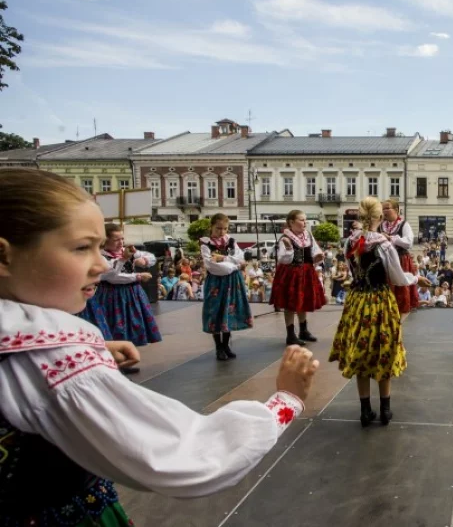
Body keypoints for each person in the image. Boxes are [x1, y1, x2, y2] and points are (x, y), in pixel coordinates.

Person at [0, 168, 319, 526]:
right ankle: (223, 345)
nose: (101, 263)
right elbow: (186, 457)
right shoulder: (56, 359)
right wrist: (286, 401)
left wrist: (97, 347)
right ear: (4, 257)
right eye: (80, 248)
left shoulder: (26, 343)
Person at [329, 197, 417, 427]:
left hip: (357, 302)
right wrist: (417, 278)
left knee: (362, 355)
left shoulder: (349, 242)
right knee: (383, 352)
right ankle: (385, 409)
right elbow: (398, 278)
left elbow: (351, 271)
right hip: (379, 302)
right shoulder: (384, 245)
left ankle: (365, 411)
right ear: (379, 217)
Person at [95, 223, 162, 347]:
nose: (121, 243)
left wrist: (144, 260)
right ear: (105, 240)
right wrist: (137, 275)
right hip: (110, 294)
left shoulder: (127, 251)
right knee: (114, 326)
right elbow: (112, 276)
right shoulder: (100, 256)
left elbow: (151, 256)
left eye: (122, 239)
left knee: (133, 324)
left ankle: (128, 353)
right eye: (116, 240)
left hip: (132, 293)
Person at [201, 213, 254, 361]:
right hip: (216, 283)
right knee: (216, 313)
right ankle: (219, 347)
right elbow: (213, 267)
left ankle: (226, 345)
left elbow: (241, 258)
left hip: (232, 282)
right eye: (218, 229)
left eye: (225, 229)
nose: (222, 232)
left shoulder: (231, 241)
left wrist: (223, 258)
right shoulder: (206, 244)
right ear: (211, 226)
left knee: (229, 312)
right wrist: (234, 265)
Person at [270, 210, 325, 346]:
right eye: (301, 220)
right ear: (291, 222)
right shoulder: (285, 238)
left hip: (307, 271)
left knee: (303, 301)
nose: (304, 222)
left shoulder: (308, 235)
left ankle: (303, 330)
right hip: (291, 272)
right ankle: (290, 334)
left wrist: (317, 258)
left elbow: (315, 251)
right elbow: (283, 259)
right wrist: (289, 248)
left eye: (305, 220)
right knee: (290, 303)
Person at [380, 198, 418, 314]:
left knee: (401, 285)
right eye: (383, 209)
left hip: (401, 259)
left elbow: (409, 242)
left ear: (396, 209)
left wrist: (391, 238)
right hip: (386, 259)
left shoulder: (404, 224)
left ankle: (401, 311)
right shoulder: (381, 226)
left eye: (387, 208)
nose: (385, 211)